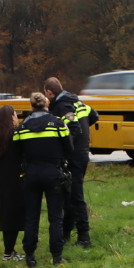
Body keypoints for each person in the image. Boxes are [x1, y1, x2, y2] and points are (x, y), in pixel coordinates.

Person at [13, 91, 71, 267]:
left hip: (31, 175)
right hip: (53, 174)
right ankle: (57, 257)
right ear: (46, 104)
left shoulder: (22, 127)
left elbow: (16, 152)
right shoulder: (57, 124)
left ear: (31, 106)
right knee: (55, 218)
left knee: (31, 217)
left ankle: (30, 257)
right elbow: (70, 147)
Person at [44, 76, 97, 249]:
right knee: (68, 195)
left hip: (73, 157)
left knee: (75, 196)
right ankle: (67, 232)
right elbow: (94, 116)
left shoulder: (61, 106)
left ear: (49, 92)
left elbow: (73, 129)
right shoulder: (77, 101)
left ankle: (84, 236)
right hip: (82, 154)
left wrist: (66, 148)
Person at [0, 105, 25, 261]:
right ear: (11, 118)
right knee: (16, 216)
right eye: (15, 115)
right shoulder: (15, 135)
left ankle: (8, 251)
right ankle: (9, 253)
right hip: (16, 179)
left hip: (2, 180)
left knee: (6, 214)